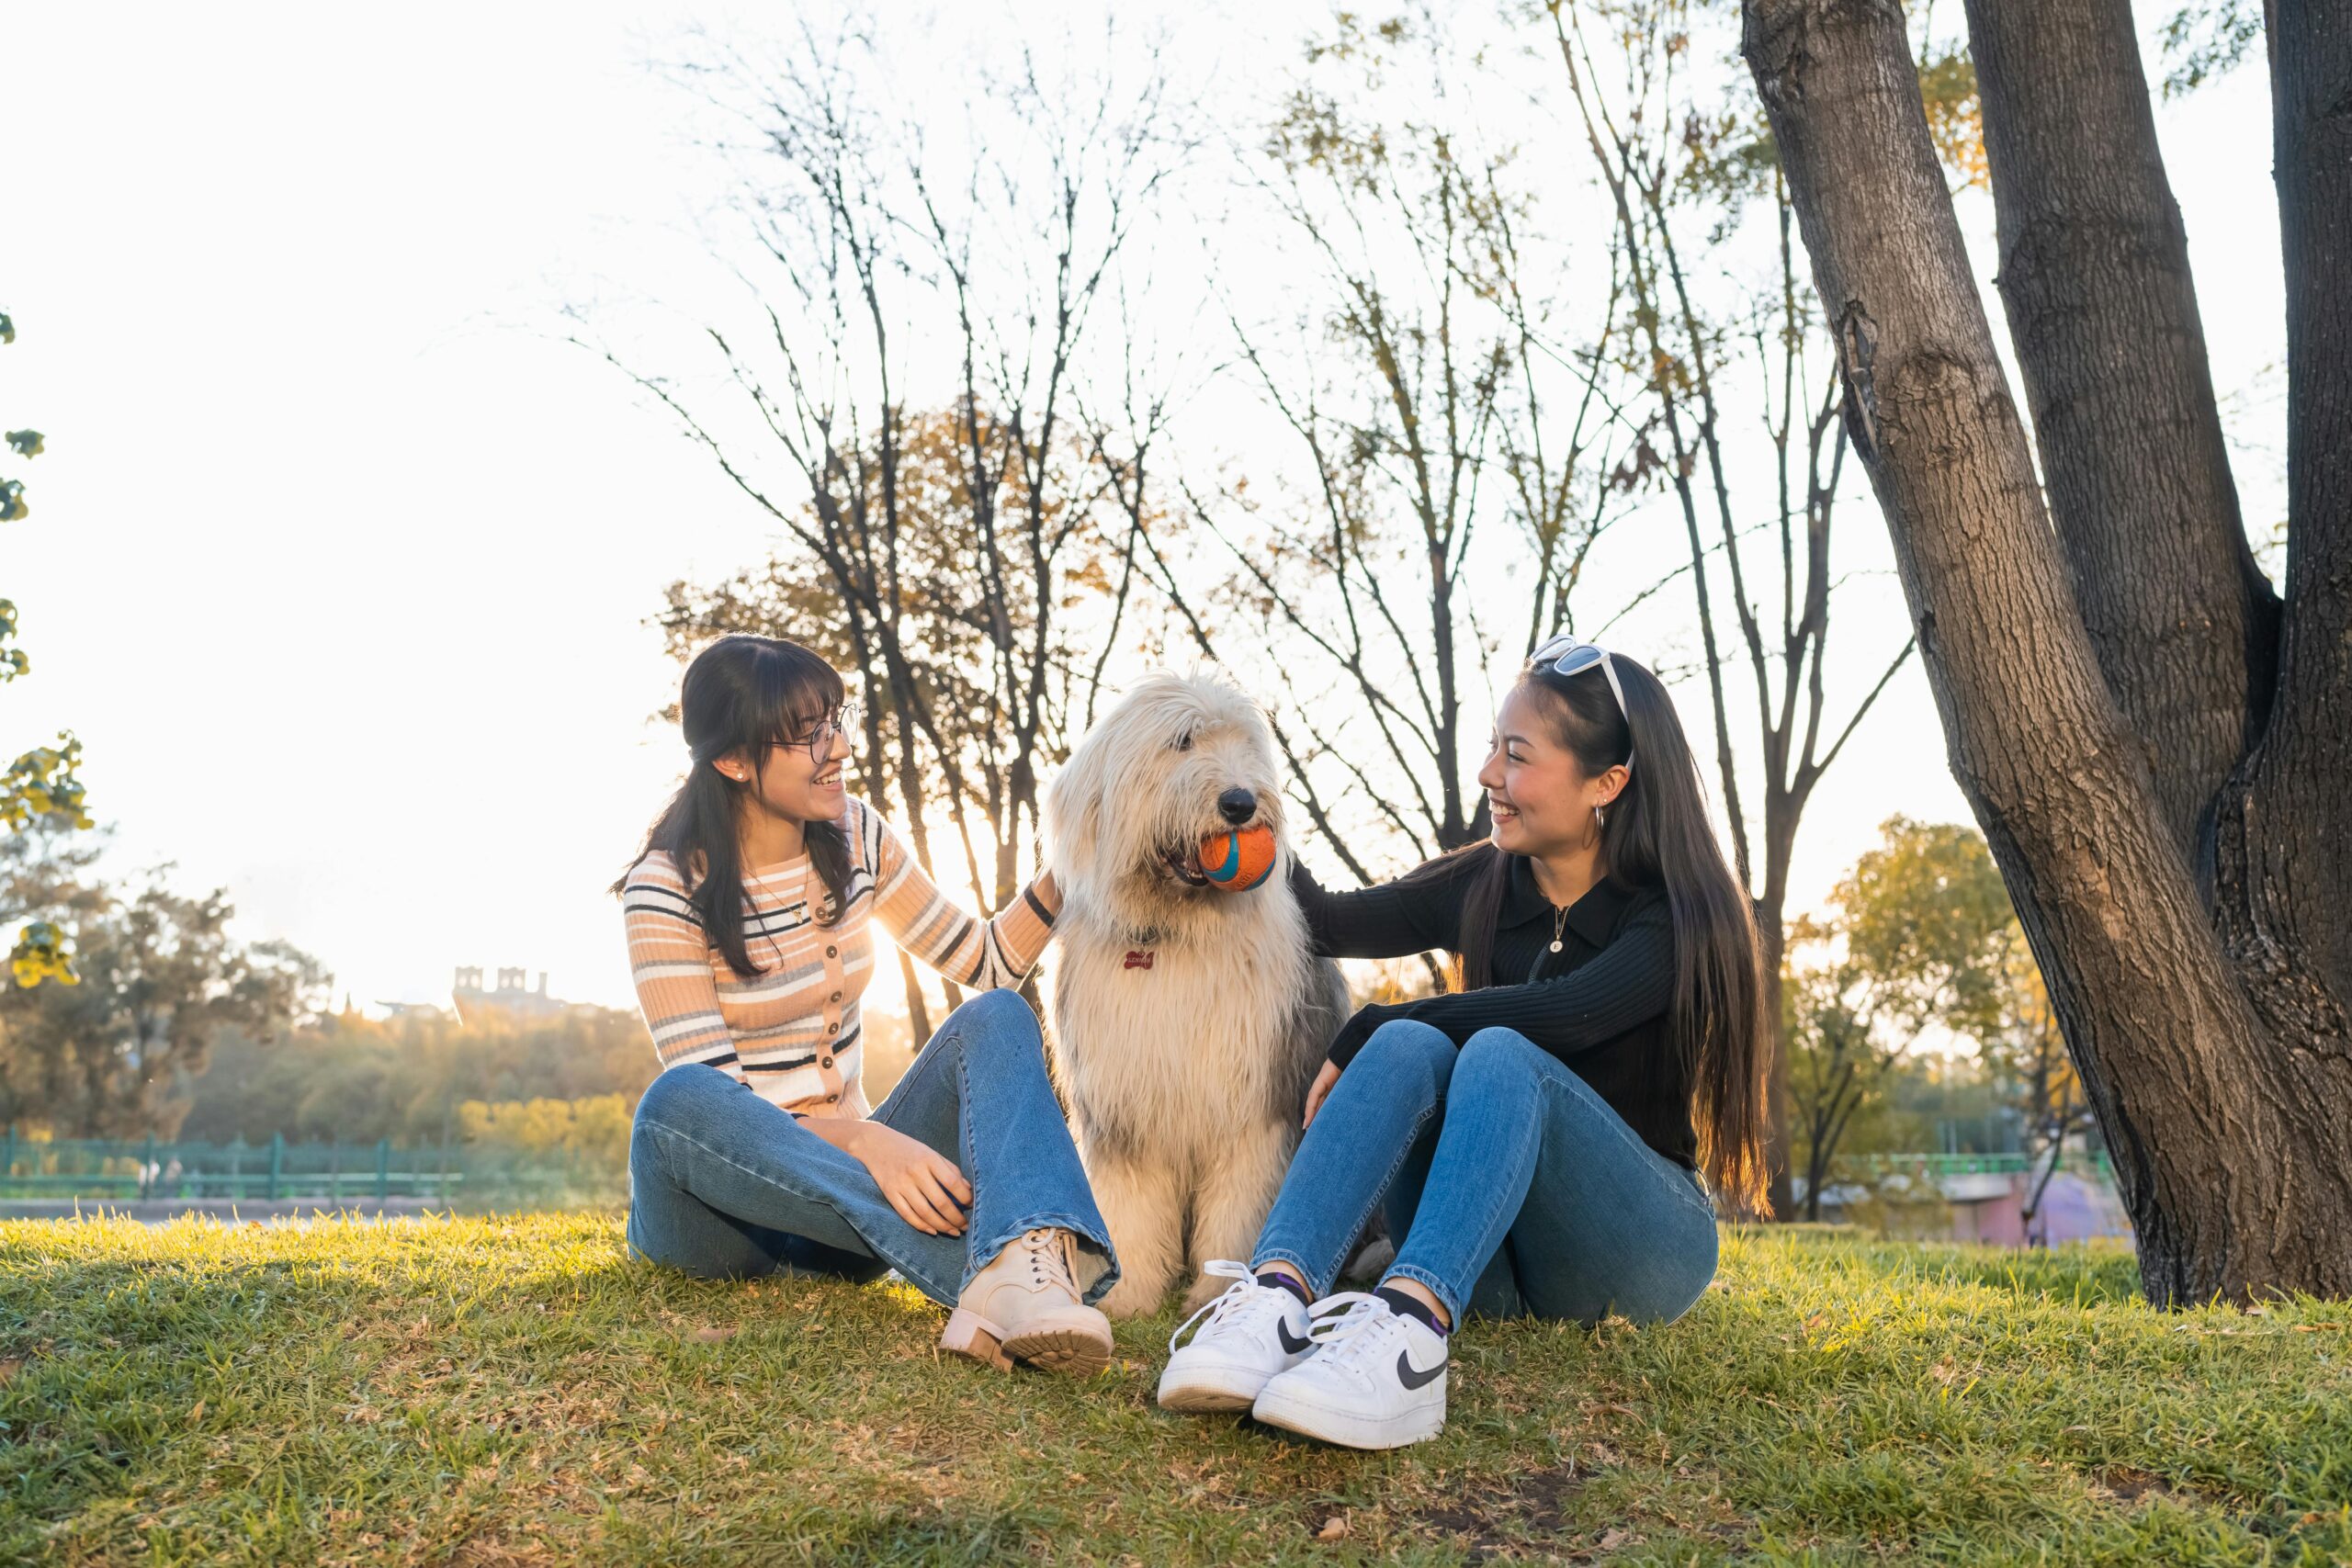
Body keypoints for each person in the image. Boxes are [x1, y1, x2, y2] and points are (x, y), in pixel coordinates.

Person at [1157, 637, 1766, 1448]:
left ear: (1606, 784)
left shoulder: (1678, 910)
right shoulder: (1486, 879)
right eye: (1492, 748)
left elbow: (1573, 1012)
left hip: (1639, 1249)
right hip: (1499, 1262)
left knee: (1495, 1048)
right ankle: (1276, 1294)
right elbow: (1330, 921)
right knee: (1415, 1049)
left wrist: (1379, 1019)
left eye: (1516, 756)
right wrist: (1250, 805)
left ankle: (1410, 1336)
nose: (1488, 774)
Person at [618, 634, 1119, 1374]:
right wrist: (866, 1141)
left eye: (835, 720)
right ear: (732, 759)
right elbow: (723, 1110)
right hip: (719, 1225)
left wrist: (1072, 860)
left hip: (839, 1224)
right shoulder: (664, 887)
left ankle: (1026, 1270)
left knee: (1000, 1016)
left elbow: (984, 961)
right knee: (679, 1098)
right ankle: (996, 1271)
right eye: (806, 734)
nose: (839, 747)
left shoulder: (858, 834)